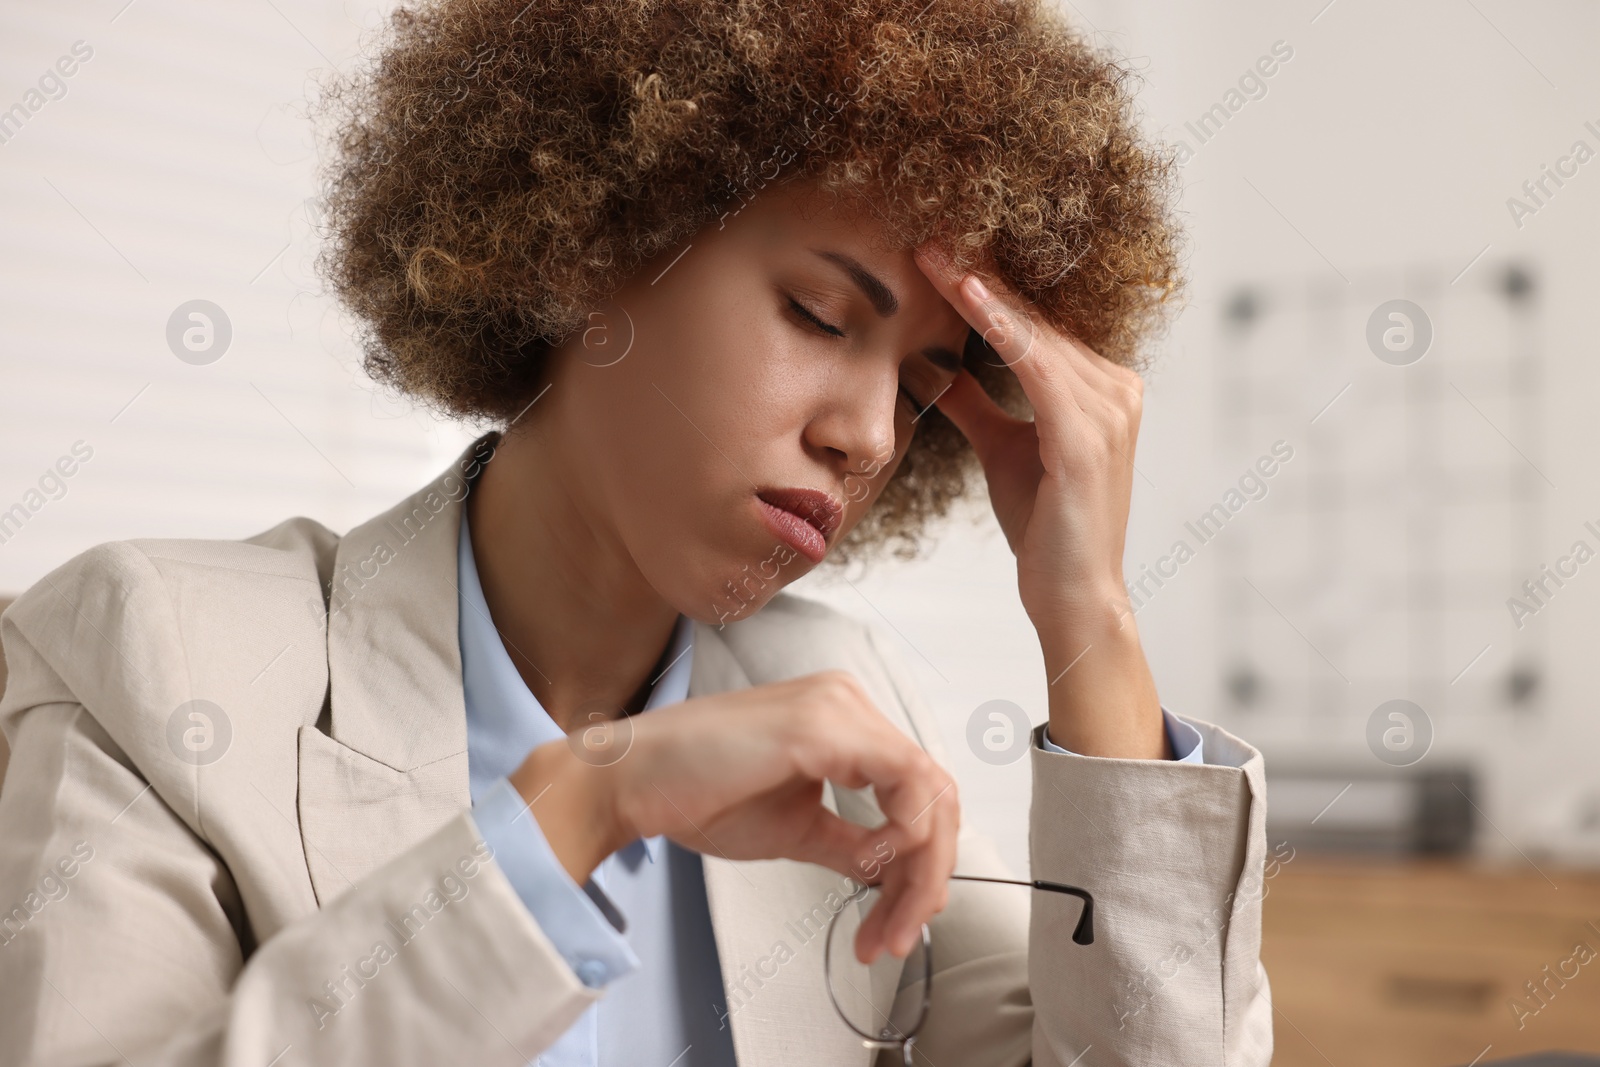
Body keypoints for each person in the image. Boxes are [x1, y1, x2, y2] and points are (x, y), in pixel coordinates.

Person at [0, 0, 1273, 1064]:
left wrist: (1089, 616)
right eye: (822, 314)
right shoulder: (156, 662)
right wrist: (588, 802)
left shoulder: (838, 702)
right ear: (590, 242)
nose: (872, 435)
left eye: (923, 379)